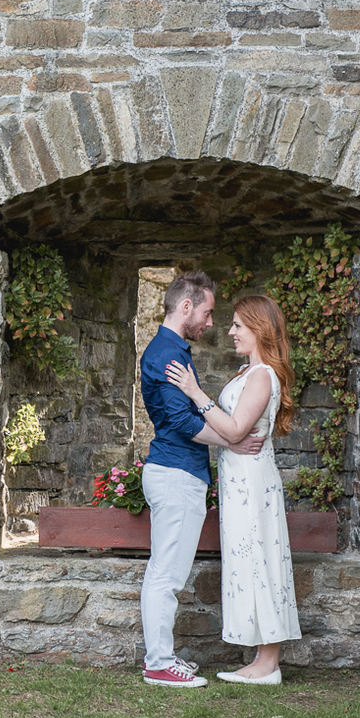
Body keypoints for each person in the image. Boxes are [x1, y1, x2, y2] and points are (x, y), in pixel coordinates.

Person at [164, 294, 301, 685]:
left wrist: (195, 392)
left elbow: (238, 429)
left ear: (259, 328)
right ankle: (261, 659)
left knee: (261, 560)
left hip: (253, 483)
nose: (230, 332)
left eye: (238, 325)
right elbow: (232, 430)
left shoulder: (262, 376)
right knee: (247, 560)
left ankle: (268, 663)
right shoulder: (246, 372)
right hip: (238, 482)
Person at [138, 271, 264, 688]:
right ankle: (159, 664)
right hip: (175, 473)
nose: (211, 323)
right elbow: (182, 422)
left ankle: (163, 658)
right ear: (186, 306)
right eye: (207, 313)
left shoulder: (173, 350)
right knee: (166, 575)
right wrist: (232, 441)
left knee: (167, 572)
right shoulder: (167, 353)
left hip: (178, 472)